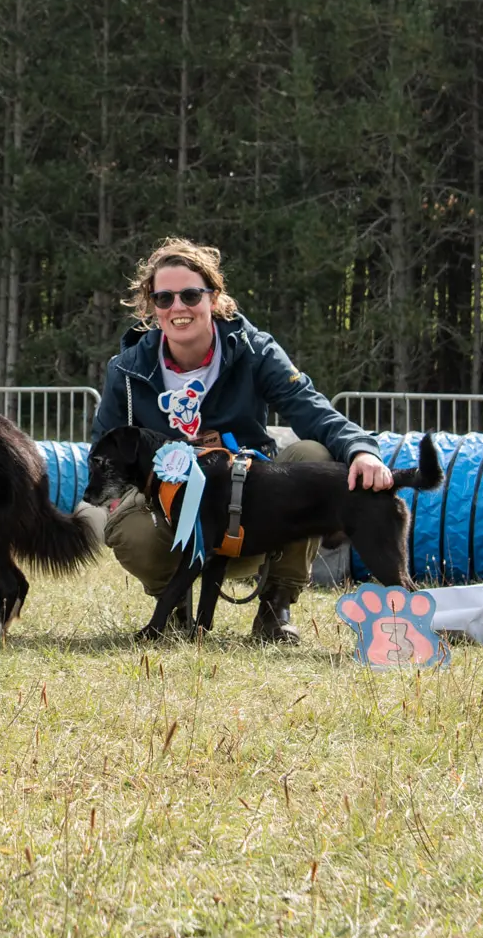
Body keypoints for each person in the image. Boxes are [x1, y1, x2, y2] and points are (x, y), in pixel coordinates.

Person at [86, 238, 393, 642]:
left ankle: (275, 608)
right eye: (163, 297)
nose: (178, 307)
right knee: (129, 526)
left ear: (213, 297)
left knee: (311, 455)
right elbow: (101, 451)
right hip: (169, 513)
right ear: (151, 306)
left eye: (191, 294)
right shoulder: (126, 370)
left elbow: (311, 408)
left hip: (253, 510)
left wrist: (361, 449)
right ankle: (173, 609)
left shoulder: (254, 350)